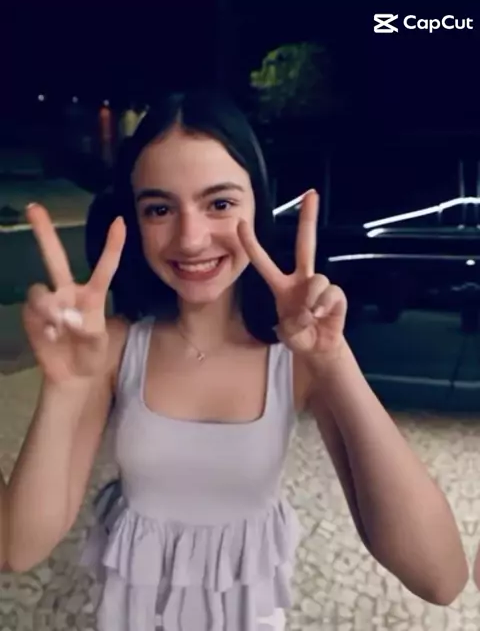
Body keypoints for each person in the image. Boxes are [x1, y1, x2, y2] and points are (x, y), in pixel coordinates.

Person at [6, 90, 468, 630]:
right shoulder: (112, 348)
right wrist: (62, 389)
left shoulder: (295, 359)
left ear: (257, 205)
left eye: (220, 204)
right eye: (160, 209)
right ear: (134, 220)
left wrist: (334, 358)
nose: (191, 238)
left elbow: (439, 577)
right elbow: (18, 549)